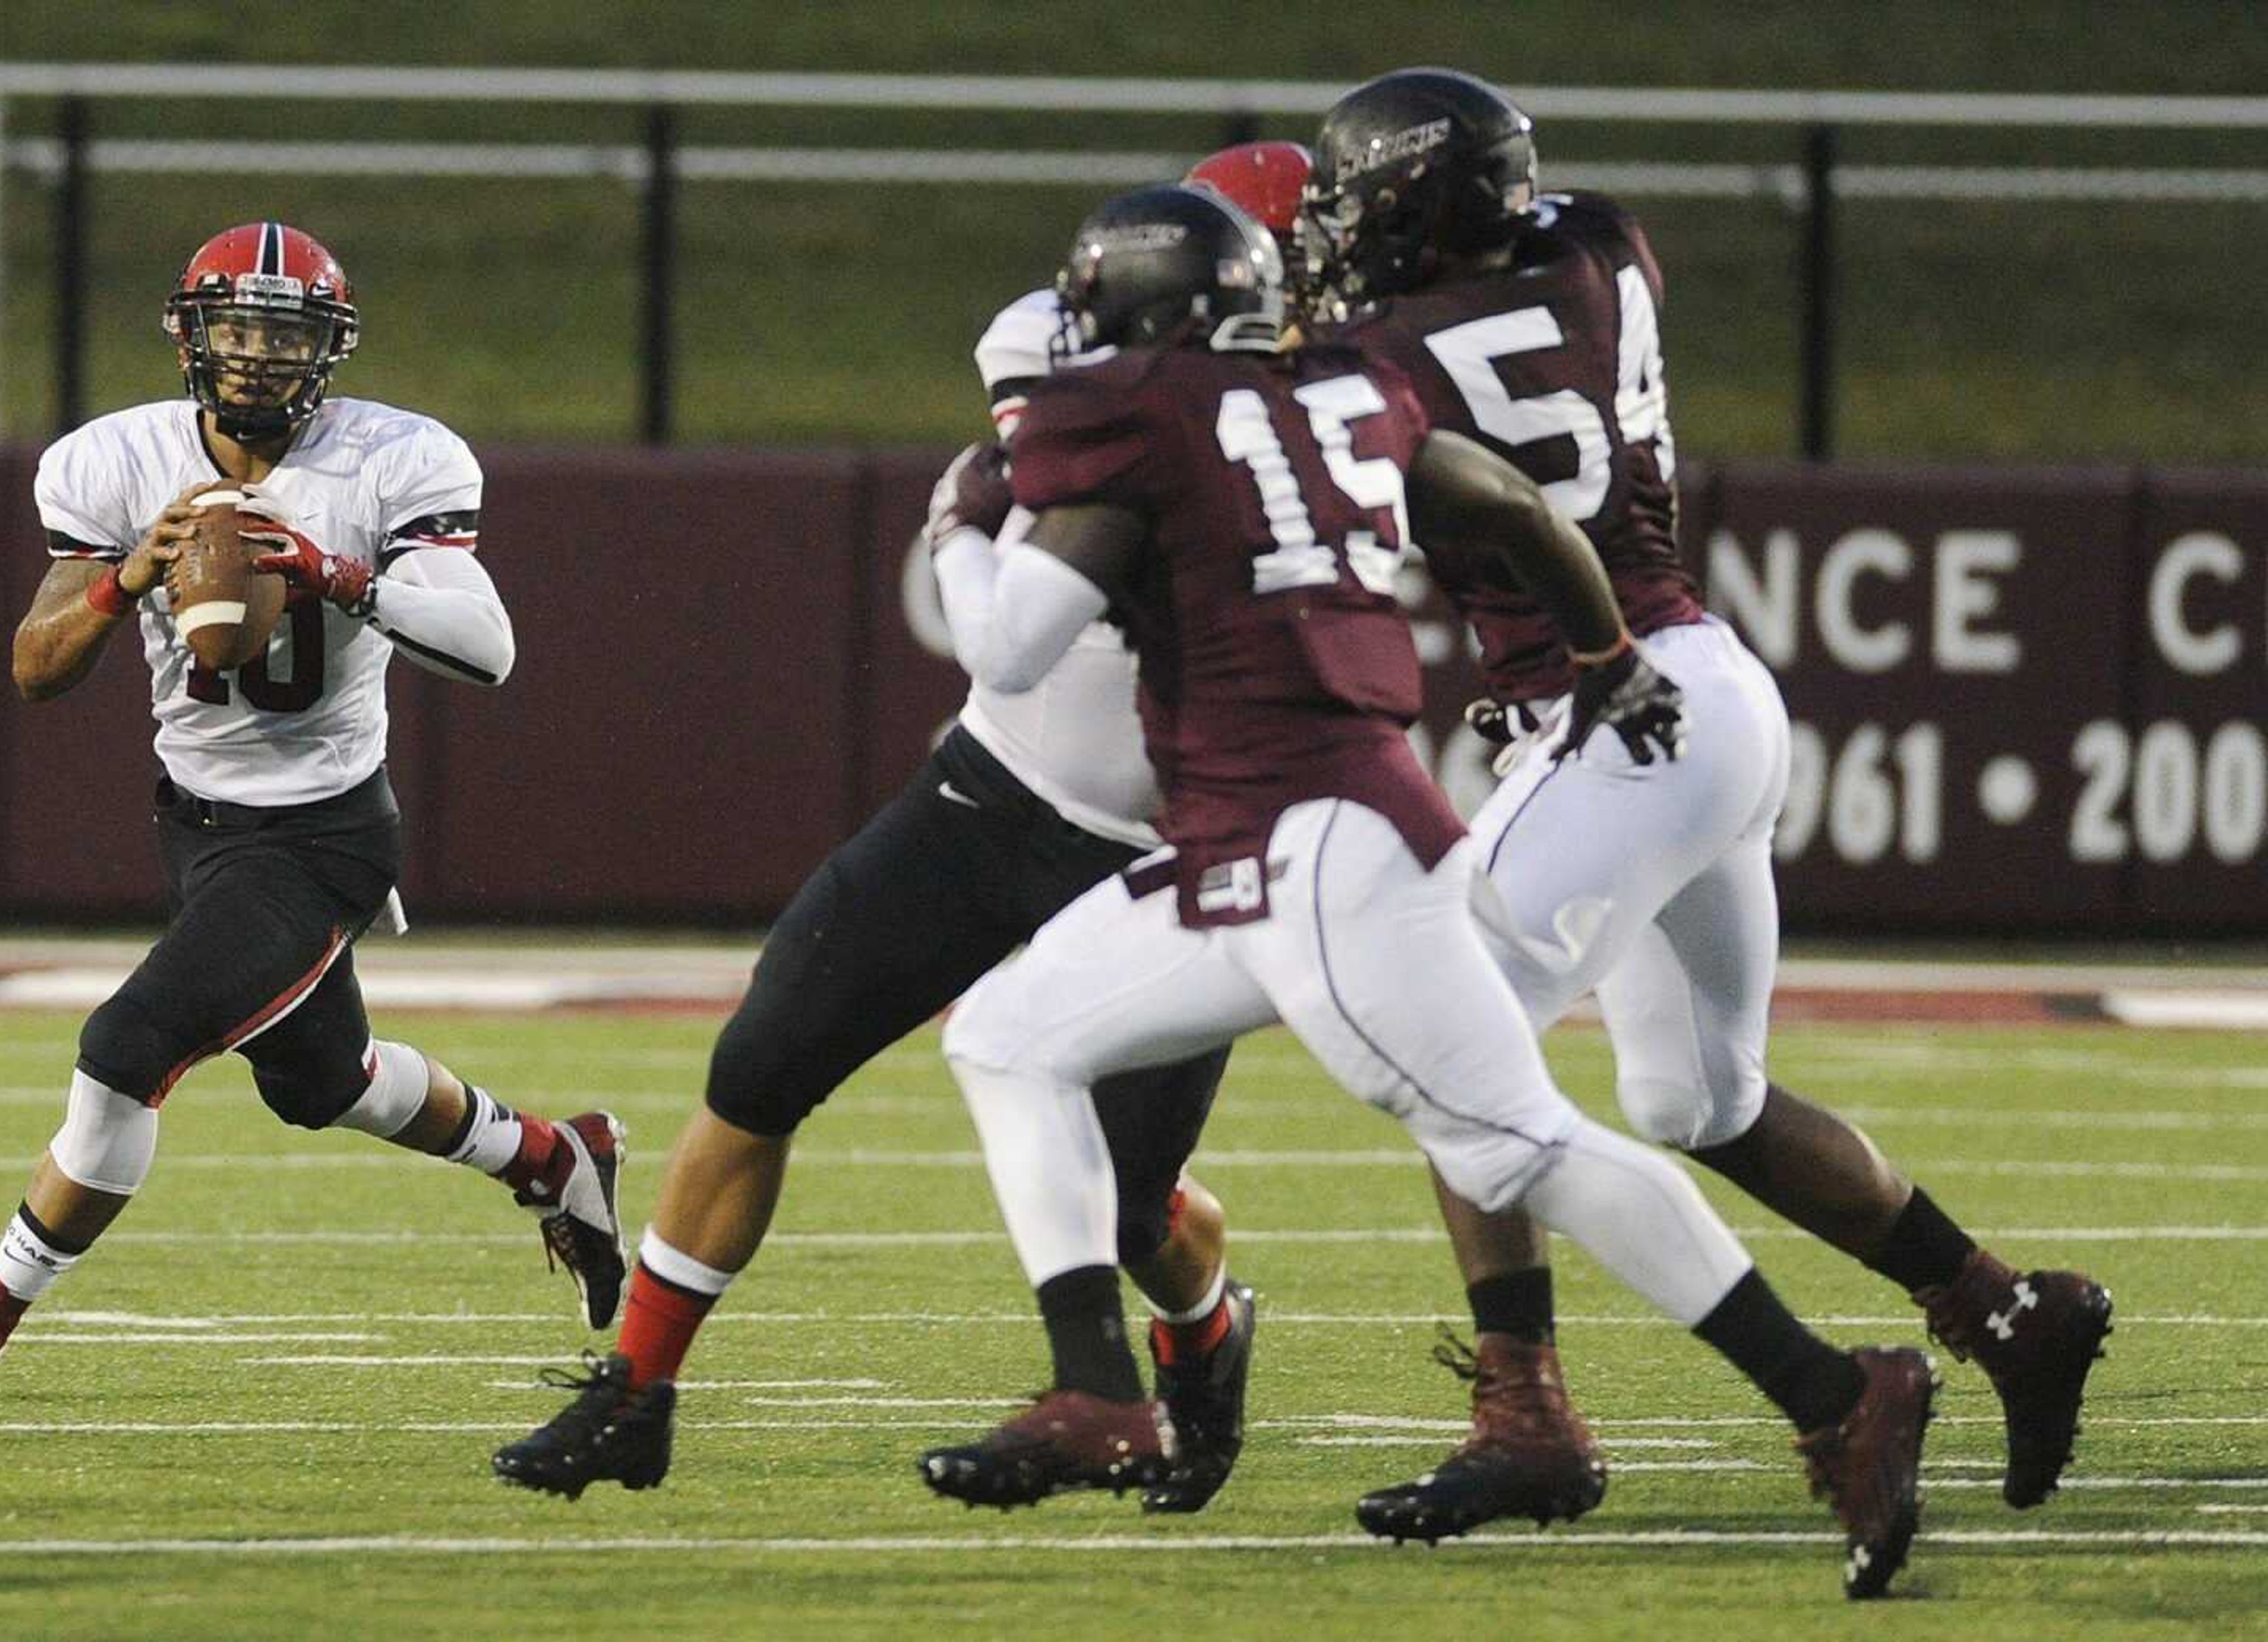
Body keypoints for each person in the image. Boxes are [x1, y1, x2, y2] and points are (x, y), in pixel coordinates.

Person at [915, 182, 1934, 1601]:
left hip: (1307, 854)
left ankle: (1834, 1392)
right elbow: (1512, 501)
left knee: (1517, 1144)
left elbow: (1013, 646)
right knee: (1009, 1033)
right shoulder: (1342, 385)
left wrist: (960, 530)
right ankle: (1095, 1388)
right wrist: (1608, 656)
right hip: (1287, 833)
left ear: (1142, 318)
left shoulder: (1147, 411)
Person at [1294, 68, 2112, 1543]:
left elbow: (1359, 456)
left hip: (1625, 709)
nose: (1340, 238)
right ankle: (2005, 1311)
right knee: (1697, 1099)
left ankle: (1525, 1412)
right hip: (1707, 691)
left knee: (1441, 1018)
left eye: (1362, 207)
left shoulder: (1388, 354)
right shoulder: (1604, 246)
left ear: (1420, 204)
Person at [486, 149, 1316, 1515]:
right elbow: (1053, 440)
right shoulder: (1077, 347)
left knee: (1126, 1205)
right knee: (762, 1063)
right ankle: (636, 1391)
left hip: (1174, 841)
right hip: (998, 788)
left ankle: (1205, 1327)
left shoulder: (1351, 400)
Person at [0, 221, 624, 1406]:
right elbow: (37, 670)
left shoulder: (396, 461)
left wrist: (334, 574)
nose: (258, 356)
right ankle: (557, 1157)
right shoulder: (111, 462)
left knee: (124, 1048)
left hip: (322, 832)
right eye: (238, 330)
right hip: (197, 825)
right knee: (329, 1084)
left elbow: (491, 650)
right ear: (190, 337)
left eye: (286, 334)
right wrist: (122, 581)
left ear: (331, 350)